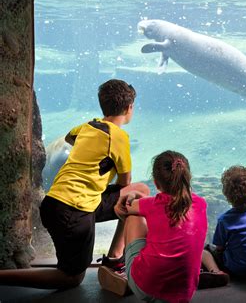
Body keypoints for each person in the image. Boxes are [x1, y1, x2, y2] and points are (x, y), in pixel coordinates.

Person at [0, 79, 150, 289]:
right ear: (129, 108)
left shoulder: (88, 126)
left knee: (139, 191)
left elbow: (71, 138)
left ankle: (115, 258)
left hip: (58, 204)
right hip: (73, 211)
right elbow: (125, 182)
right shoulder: (119, 137)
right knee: (71, 278)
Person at [99, 150, 208, 302]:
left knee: (133, 217)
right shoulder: (201, 204)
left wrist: (131, 195)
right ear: (187, 177)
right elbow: (161, 205)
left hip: (148, 288)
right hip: (185, 292)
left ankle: (121, 266)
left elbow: (125, 207)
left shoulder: (152, 205)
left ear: (156, 183)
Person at [198, 165, 246, 289]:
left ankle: (216, 272)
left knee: (204, 251)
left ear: (226, 195)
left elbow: (219, 248)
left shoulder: (224, 220)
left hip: (233, 268)